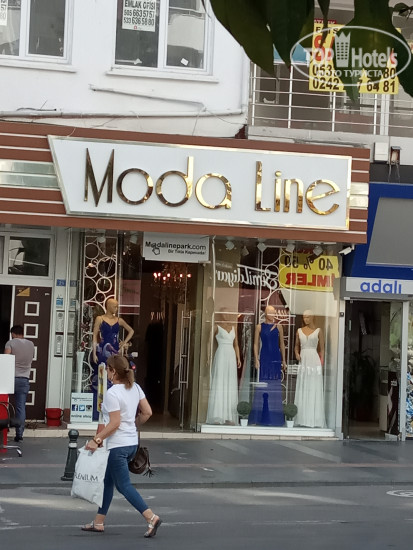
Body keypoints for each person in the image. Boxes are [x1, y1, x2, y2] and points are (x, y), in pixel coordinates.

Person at [81, 354, 162, 537]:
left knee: (124, 486)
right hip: (131, 443)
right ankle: (98, 522)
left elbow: (114, 423)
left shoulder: (113, 393)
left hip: (118, 446)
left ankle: (151, 517)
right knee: (108, 482)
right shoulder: (135, 388)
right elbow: (147, 412)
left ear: (113, 371)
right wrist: (133, 424)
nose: (107, 372)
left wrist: (96, 440)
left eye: (107, 369)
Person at [91, 298, 134, 420]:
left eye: (117, 306)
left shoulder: (119, 320)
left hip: (114, 351)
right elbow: (94, 335)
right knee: (101, 377)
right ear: (108, 306)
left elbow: (131, 331)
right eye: (114, 306)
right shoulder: (100, 319)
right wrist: (94, 352)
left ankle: (112, 410)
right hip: (102, 350)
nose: (116, 308)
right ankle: (98, 410)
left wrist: (124, 343)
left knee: (115, 377)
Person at [249, 305, 286, 426]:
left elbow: (282, 344)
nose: (272, 314)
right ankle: (260, 416)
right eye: (270, 312)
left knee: (274, 386)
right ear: (265, 313)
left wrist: (284, 360)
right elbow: (255, 344)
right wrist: (256, 359)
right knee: (263, 385)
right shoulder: (259, 327)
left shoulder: (279, 326)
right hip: (264, 357)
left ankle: (275, 418)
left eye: (274, 312)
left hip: (275, 358)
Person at [206, 309, 241, 425]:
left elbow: (236, 345)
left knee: (230, 383)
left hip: (231, 355)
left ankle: (229, 416)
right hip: (221, 354)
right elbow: (209, 342)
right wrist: (208, 357)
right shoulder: (216, 327)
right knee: (219, 383)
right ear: (221, 314)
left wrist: (238, 358)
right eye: (224, 313)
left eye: (228, 313)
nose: (227, 315)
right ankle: (217, 415)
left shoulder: (234, 327)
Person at [294, 310, 326, 428]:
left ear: (313, 317)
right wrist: (297, 354)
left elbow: (322, 349)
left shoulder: (318, 331)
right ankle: (302, 418)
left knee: (313, 386)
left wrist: (321, 363)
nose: (306, 319)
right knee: (303, 385)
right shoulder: (299, 331)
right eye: (304, 317)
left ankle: (314, 419)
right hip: (303, 359)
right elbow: (296, 346)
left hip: (314, 360)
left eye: (308, 317)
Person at [4, 325, 35, 442]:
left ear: (13, 334)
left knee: (4, 403)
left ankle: (3, 430)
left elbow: (6, 360)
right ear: (23, 333)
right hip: (24, 379)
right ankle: (19, 434)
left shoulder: (10, 343)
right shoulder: (31, 344)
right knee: (20, 407)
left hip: (10, 378)